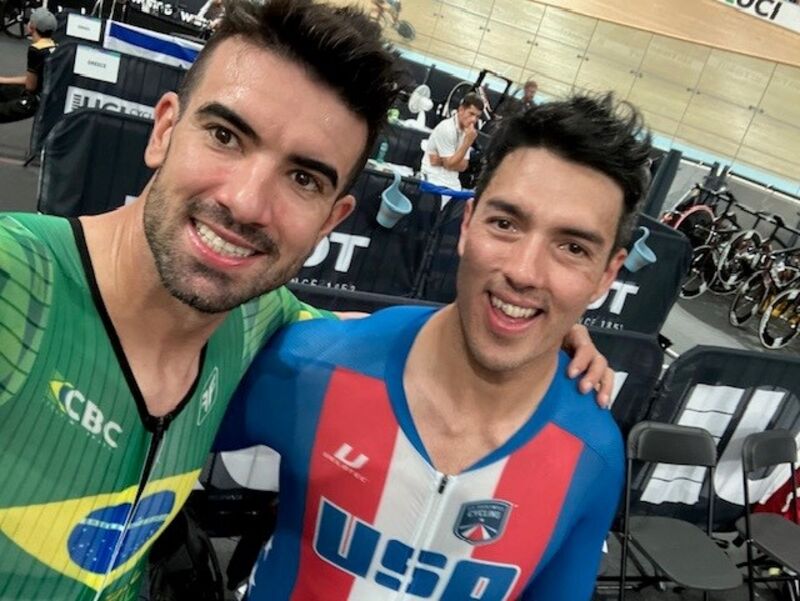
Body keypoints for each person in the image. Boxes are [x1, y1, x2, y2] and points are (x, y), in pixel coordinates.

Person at [0, 1, 610, 599]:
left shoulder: (261, 326)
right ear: (164, 129)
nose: (245, 201)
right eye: (225, 135)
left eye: (303, 178)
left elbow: (399, 350)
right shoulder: (13, 282)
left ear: (332, 220)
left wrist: (536, 327)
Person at [218, 93, 652, 600]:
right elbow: (145, 434)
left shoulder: (592, 456)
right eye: (506, 224)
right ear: (466, 225)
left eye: (572, 248)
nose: (523, 271)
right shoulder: (316, 363)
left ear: (607, 274)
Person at [0, 7, 57, 123]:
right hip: (48, 96)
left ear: (32, 27)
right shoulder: (54, 46)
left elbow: (30, 86)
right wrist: (3, 80)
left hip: (35, 100)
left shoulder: (36, 50)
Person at [420, 92, 483, 191]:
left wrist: (442, 161)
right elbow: (450, 164)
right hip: (433, 179)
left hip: (453, 183)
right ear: (461, 110)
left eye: (477, 116)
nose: (474, 120)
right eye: (471, 114)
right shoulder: (446, 128)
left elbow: (463, 166)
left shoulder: (467, 133)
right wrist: (467, 143)